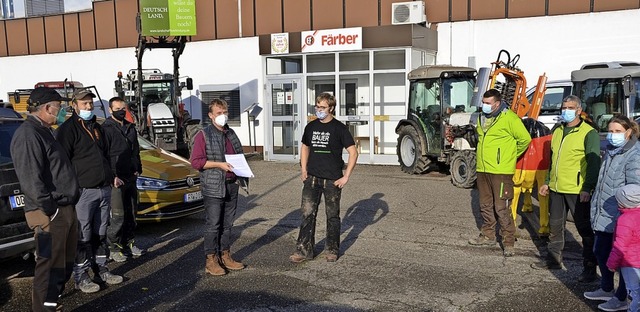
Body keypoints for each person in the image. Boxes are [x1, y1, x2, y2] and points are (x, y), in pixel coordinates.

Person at [10, 87, 80, 312]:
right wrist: (51, 210)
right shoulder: (28, 134)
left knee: (63, 265)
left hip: (63, 208)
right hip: (49, 212)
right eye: (59, 109)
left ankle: (52, 304)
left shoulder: (45, 131)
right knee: (49, 265)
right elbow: (31, 178)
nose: (61, 113)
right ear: (47, 108)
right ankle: (43, 309)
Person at [56, 88, 123, 293]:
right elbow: (62, 162)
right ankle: (81, 275)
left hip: (103, 189)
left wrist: (112, 176)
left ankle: (101, 269)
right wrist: (71, 188)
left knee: (100, 233)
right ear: (74, 105)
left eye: (90, 103)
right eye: (84, 103)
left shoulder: (96, 126)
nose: (88, 106)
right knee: (83, 236)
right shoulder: (67, 130)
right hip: (83, 192)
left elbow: (104, 155)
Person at [532, 95, 601, 284]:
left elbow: (594, 163)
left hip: (577, 190)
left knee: (584, 229)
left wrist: (587, 187)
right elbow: (553, 160)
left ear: (579, 110)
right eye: (564, 107)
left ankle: (589, 268)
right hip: (556, 188)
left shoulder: (589, 133)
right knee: (555, 226)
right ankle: (554, 259)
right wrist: (547, 181)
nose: (566, 111)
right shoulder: (558, 131)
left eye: (570, 107)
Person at [289, 92, 358, 263]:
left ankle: (332, 249)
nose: (319, 110)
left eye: (322, 107)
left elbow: (353, 153)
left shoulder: (340, 129)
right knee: (307, 213)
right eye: (317, 106)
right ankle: (304, 250)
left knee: (332, 216)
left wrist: (346, 177)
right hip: (312, 177)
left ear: (331, 108)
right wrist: (303, 168)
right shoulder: (311, 127)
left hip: (332, 180)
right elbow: (305, 147)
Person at [584, 116, 640, 311]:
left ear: (628, 132)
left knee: (623, 259)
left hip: (620, 215)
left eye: (617, 131)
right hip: (603, 211)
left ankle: (621, 297)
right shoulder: (610, 150)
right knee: (600, 251)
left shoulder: (634, 154)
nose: (612, 135)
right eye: (610, 131)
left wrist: (625, 211)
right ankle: (607, 288)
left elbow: (635, 188)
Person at [468, 89, 531, 257]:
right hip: (483, 168)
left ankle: (508, 241)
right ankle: (488, 234)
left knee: (501, 206)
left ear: (497, 103)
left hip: (501, 170)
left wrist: (509, 156)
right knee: (485, 204)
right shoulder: (482, 117)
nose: (485, 106)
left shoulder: (509, 118)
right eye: (484, 102)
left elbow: (525, 139)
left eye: (488, 103)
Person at [190, 98, 247, 276]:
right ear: (211, 115)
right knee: (213, 225)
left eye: (224, 113)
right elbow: (196, 162)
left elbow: (239, 155)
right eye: (218, 113)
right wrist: (219, 164)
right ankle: (211, 259)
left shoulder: (231, 133)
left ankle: (225, 254)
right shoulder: (203, 135)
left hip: (231, 184)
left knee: (228, 224)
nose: (222, 116)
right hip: (214, 186)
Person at [103, 97, 144, 262]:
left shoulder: (130, 127)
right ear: (110, 109)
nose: (121, 111)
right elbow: (104, 156)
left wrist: (137, 168)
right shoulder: (106, 129)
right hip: (116, 179)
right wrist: (112, 176)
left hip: (130, 177)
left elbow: (136, 151)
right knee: (118, 216)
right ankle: (114, 247)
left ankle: (129, 243)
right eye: (117, 108)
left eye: (123, 108)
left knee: (131, 213)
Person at [607, 184, 640, 312]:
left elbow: (620, 245)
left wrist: (612, 263)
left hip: (630, 263)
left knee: (633, 290)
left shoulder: (625, 219)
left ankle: (633, 309)